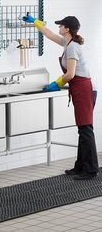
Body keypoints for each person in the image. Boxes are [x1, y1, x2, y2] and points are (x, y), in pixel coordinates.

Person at [22, 14, 98, 180]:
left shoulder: (72, 47)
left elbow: (70, 74)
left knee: (86, 129)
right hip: (79, 88)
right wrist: (35, 23)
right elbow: (49, 35)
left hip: (84, 88)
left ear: (68, 29)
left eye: (61, 25)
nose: (59, 27)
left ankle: (91, 170)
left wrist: (55, 84)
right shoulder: (68, 43)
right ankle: (81, 166)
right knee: (83, 129)